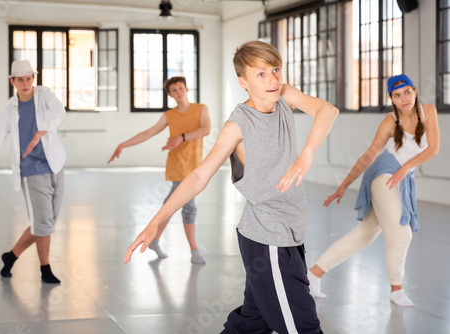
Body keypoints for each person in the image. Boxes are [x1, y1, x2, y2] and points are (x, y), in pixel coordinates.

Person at [125, 41, 338, 333]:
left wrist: (308, 153)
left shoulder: (286, 97)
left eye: (275, 69)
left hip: (290, 230)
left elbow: (328, 110)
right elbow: (200, 176)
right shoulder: (237, 126)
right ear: (243, 82)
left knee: (252, 322)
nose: (273, 79)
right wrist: (155, 221)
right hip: (268, 238)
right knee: (303, 326)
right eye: (261, 74)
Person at [308, 74, 440, 307]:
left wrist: (406, 168)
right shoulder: (390, 122)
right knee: (401, 233)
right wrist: (344, 185)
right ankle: (396, 289)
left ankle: (313, 274)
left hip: (401, 176)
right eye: (397, 96)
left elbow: (434, 150)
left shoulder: (428, 111)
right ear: (392, 99)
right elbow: (370, 155)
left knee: (364, 235)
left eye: (407, 92)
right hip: (383, 176)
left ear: (415, 91)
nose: (404, 99)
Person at [0, 60, 66, 284]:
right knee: (43, 223)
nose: (25, 83)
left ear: (34, 78)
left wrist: (43, 130)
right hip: (31, 170)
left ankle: (10, 257)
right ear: (12, 82)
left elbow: (59, 110)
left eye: (29, 78)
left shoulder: (45, 95)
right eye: (20, 79)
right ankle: (45, 269)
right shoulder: (8, 110)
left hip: (55, 164)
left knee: (47, 222)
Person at [108, 76, 211, 264]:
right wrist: (123, 144)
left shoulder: (201, 109)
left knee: (169, 205)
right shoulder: (169, 116)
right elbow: (148, 133)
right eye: (174, 90)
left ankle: (154, 240)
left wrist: (181, 137)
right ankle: (194, 251)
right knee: (188, 207)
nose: (178, 92)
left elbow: (205, 130)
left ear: (187, 89)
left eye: (180, 88)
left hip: (194, 166)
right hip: (178, 166)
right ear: (170, 95)